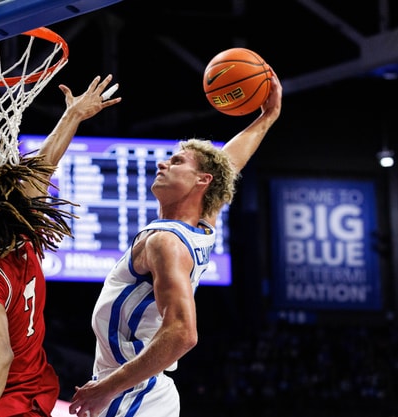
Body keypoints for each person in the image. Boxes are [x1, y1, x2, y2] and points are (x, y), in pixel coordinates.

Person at [68, 72, 283, 417]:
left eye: (176, 161)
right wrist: (267, 118)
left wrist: (105, 390)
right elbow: (229, 163)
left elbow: (183, 333)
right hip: (144, 388)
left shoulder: (166, 242)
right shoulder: (199, 226)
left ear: (201, 180)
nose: (162, 163)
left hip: (131, 392)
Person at [0, 74, 121, 417]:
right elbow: (43, 167)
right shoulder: (25, 241)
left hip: (3, 407)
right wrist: (72, 116)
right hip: (37, 395)